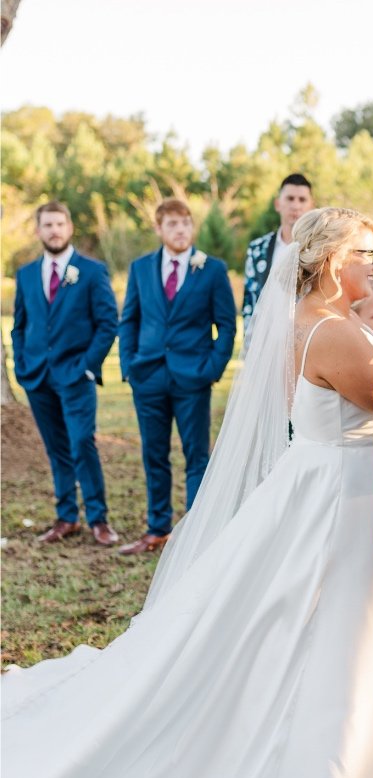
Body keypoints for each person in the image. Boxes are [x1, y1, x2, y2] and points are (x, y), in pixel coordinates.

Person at [1, 207, 373, 778]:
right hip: (343, 497)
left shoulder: (324, 322)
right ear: (329, 262)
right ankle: (338, 763)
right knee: (338, 627)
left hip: (333, 484)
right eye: (365, 256)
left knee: (327, 623)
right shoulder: (333, 334)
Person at [116, 199, 238, 554]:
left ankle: (198, 534)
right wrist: (130, 366)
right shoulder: (140, 268)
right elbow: (130, 321)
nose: (181, 229)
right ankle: (157, 529)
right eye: (172, 224)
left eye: (186, 223)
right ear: (159, 229)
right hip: (148, 376)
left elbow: (227, 325)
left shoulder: (212, 269)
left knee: (196, 455)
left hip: (192, 377)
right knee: (154, 454)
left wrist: (212, 369)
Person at [9, 201, 121, 546]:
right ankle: (66, 517)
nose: (54, 230)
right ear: (39, 230)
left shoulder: (91, 270)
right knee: (56, 448)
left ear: (69, 228)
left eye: (59, 223)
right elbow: (20, 325)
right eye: (47, 225)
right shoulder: (27, 274)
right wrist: (22, 362)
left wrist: (87, 366)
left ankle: (98, 519)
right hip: (37, 377)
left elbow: (107, 324)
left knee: (82, 442)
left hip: (76, 375)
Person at [242, 173, 314, 341]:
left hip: (304, 342)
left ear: (311, 205)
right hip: (266, 340)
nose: (295, 206)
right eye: (290, 198)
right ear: (277, 204)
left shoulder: (318, 249)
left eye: (302, 200)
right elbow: (249, 301)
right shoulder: (257, 249)